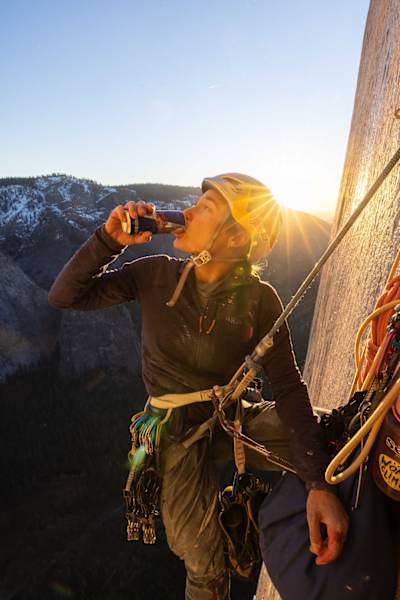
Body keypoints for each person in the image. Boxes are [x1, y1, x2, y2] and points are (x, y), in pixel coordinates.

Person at [48, 173, 349, 600]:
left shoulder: (260, 300)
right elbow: (65, 296)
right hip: (172, 432)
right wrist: (107, 240)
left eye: (205, 208)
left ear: (233, 240)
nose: (187, 211)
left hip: (230, 415)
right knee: (204, 563)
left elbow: (288, 387)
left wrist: (319, 482)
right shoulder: (154, 274)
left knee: (337, 439)